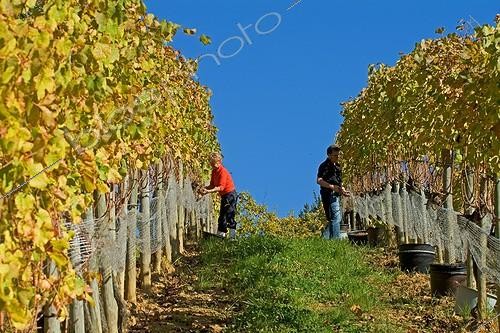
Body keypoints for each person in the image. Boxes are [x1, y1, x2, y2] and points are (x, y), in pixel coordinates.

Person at [199, 153, 238, 238]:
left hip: (230, 195)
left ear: (219, 162)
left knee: (230, 214)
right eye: (212, 164)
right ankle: (221, 235)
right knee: (222, 216)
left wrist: (208, 191)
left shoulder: (223, 171)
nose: (213, 165)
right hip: (224, 196)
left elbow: (221, 187)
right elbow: (212, 185)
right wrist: (204, 188)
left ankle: (232, 237)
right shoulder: (214, 171)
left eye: (214, 163)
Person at [316, 144, 350, 239]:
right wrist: (331, 187)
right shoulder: (324, 166)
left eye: (338, 155)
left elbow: (339, 182)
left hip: (335, 194)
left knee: (335, 217)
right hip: (327, 194)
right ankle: (335, 240)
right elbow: (319, 180)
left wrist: (342, 190)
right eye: (335, 155)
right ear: (329, 155)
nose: (337, 157)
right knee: (333, 217)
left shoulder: (338, 167)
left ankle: (333, 240)